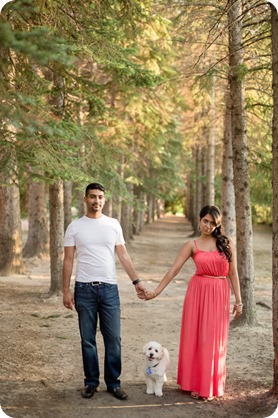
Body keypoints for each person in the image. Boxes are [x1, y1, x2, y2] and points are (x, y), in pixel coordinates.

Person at [139, 205, 243, 401]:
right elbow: (173, 270)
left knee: (213, 341)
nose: (208, 225)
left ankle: (209, 385)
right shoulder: (192, 245)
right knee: (198, 339)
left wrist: (239, 301)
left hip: (219, 293)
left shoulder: (227, 243)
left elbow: (233, 272)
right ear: (199, 220)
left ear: (217, 224)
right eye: (205, 221)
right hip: (197, 293)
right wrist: (155, 292)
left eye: (212, 223)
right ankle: (195, 383)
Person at [62, 182, 146, 400]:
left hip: (109, 290)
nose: (96, 201)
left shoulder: (113, 224)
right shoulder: (75, 227)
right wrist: (65, 290)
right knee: (87, 339)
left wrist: (136, 281)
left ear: (104, 200)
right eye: (92, 197)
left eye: (100, 197)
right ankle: (91, 382)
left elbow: (123, 255)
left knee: (113, 339)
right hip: (84, 290)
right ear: (85, 199)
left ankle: (113, 383)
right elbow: (68, 260)